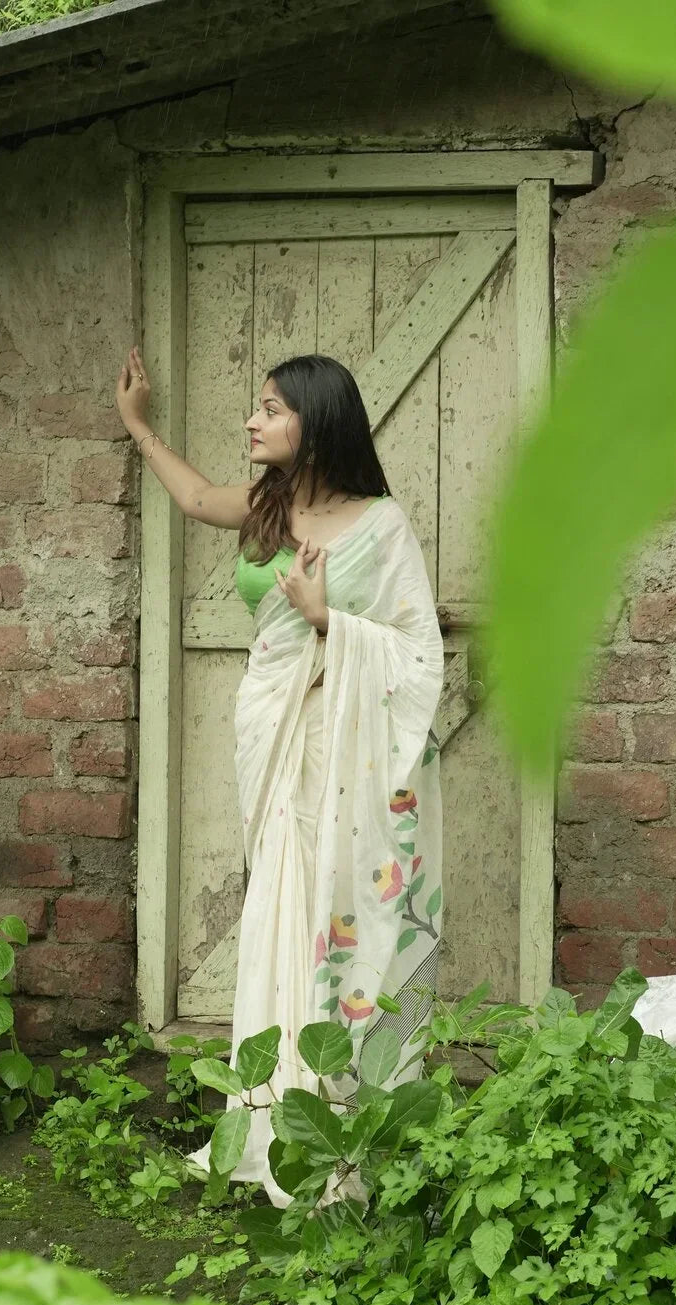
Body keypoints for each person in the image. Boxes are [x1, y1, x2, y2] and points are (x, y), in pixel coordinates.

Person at [115, 346, 444, 1208]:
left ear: (316, 419)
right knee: (282, 908)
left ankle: (347, 1114)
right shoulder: (264, 510)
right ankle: (273, 1118)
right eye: (256, 407)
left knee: (341, 910)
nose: (252, 420)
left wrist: (328, 618)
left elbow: (417, 655)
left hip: (346, 755)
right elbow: (191, 498)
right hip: (279, 738)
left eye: (270, 408)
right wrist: (137, 426)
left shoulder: (383, 526)